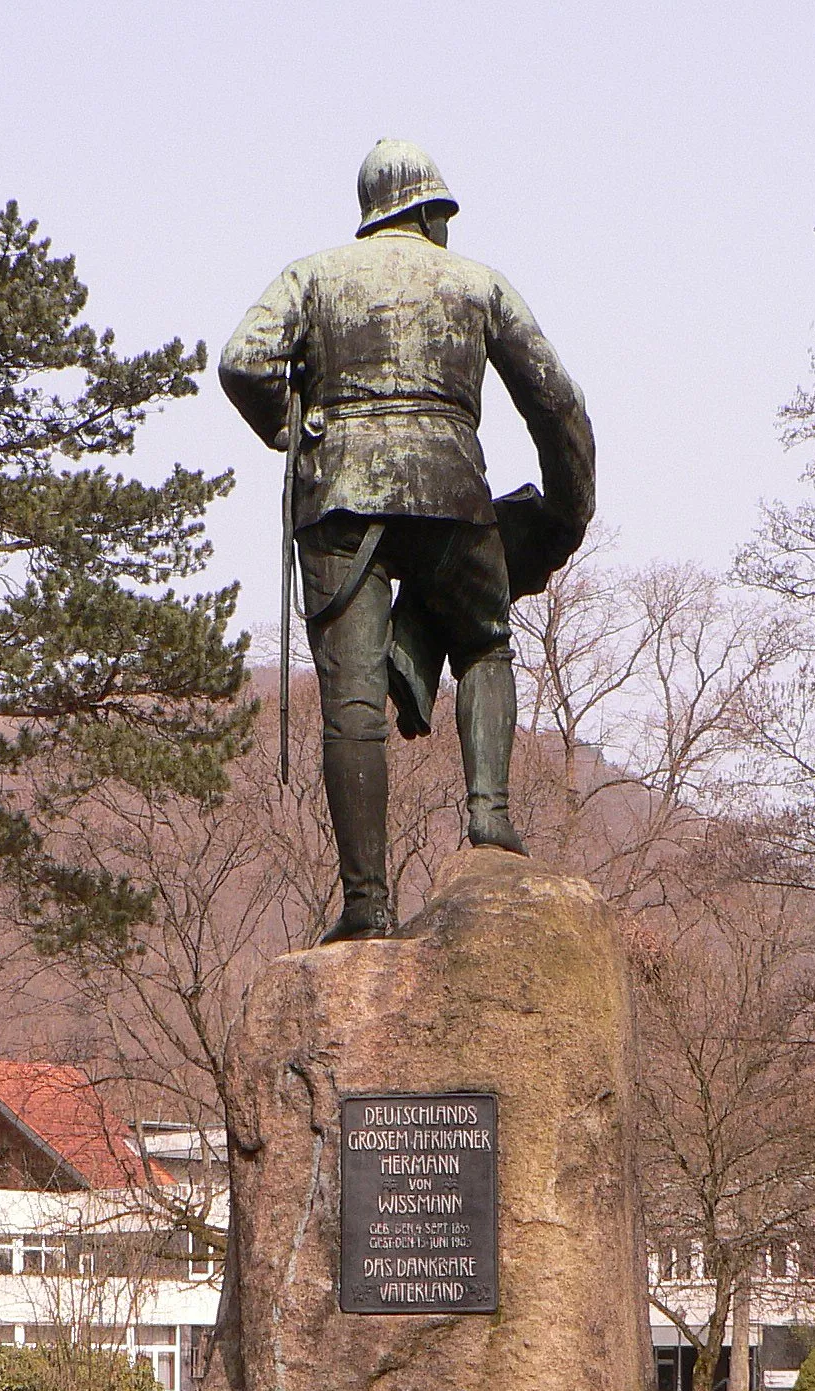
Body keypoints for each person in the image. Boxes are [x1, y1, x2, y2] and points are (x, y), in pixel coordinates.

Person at [220, 139, 596, 940]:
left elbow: (242, 361)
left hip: (339, 505)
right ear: (425, 213)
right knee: (486, 642)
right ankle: (489, 819)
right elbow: (557, 401)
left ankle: (366, 904)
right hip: (451, 495)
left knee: (351, 706)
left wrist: (294, 426)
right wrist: (568, 507)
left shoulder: (311, 275)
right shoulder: (477, 283)